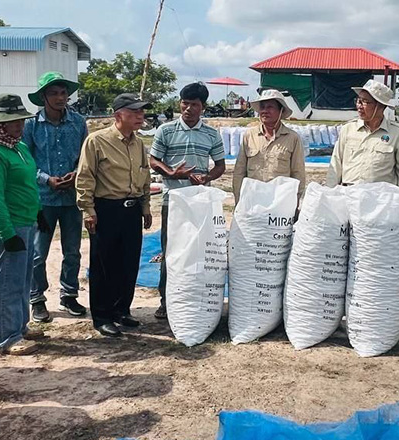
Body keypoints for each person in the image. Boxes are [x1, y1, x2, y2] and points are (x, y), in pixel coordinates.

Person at [75, 93, 153, 336]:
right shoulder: (97, 141)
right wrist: (88, 210)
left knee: (129, 262)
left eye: (142, 112)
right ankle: (102, 315)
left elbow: (145, 176)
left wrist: (146, 206)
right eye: (135, 112)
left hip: (131, 210)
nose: (140, 116)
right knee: (103, 263)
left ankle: (122, 310)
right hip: (106, 208)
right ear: (118, 115)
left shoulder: (138, 143)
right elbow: (85, 177)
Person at [149, 82, 226, 320]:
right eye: (185, 103)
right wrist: (171, 173)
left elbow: (220, 165)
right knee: (170, 251)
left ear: (203, 107)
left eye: (194, 104)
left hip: (200, 202)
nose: (188, 109)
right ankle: (165, 300)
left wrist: (207, 177)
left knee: (198, 251)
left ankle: (195, 297)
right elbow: (153, 160)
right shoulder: (166, 130)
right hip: (172, 201)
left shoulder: (212, 134)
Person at [0, 94, 44, 356]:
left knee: (23, 280)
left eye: (20, 120)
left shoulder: (18, 148)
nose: (19, 125)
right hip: (10, 225)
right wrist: (6, 232)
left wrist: (39, 213)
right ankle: (4, 338)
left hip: (26, 222)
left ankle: (20, 327)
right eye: (12, 121)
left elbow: (28, 185)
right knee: (6, 283)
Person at [22, 71, 89, 323]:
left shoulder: (78, 122)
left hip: (72, 198)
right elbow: (25, 161)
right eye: (54, 93)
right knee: (38, 252)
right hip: (42, 199)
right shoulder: (30, 126)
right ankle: (37, 298)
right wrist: (46, 179)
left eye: (63, 93)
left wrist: (76, 174)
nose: (60, 98)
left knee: (72, 250)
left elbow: (86, 155)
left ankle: (69, 294)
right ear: (43, 97)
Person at [325, 79, 399, 189]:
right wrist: (330, 194)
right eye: (358, 101)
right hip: (349, 195)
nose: (359, 106)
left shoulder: (398, 134)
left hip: (379, 198)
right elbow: (335, 166)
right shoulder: (348, 129)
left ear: (381, 106)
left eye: (365, 102)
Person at [231, 89, 306, 204]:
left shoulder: (292, 138)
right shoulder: (249, 136)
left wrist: (297, 204)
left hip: (280, 201)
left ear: (281, 111)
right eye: (262, 107)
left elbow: (298, 173)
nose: (265, 111)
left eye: (270, 107)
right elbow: (239, 171)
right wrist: (238, 200)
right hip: (252, 200)